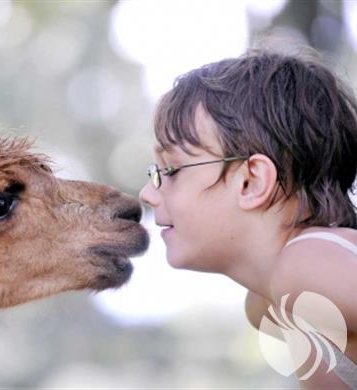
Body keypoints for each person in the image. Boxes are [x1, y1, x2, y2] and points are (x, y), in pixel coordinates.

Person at [139, 50, 357, 388]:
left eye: (171, 170)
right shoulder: (265, 306)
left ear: (251, 181)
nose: (147, 194)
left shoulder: (305, 265)